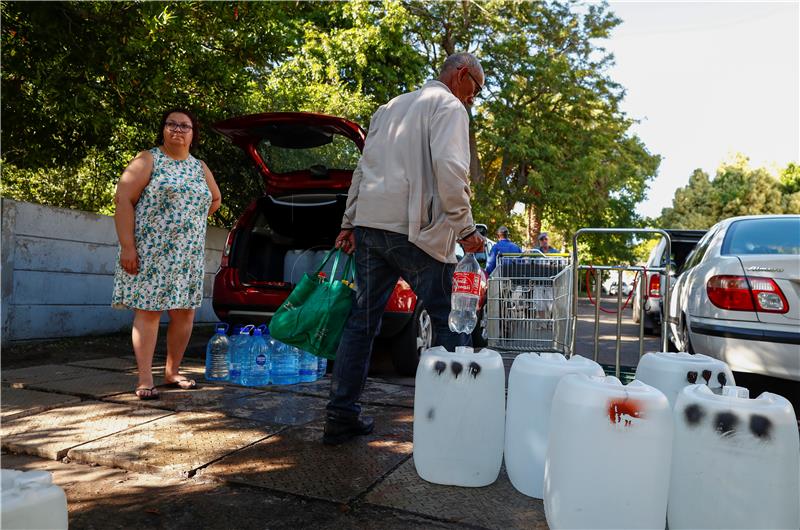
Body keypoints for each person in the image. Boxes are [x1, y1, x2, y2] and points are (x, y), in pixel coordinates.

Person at [323, 52, 486, 445]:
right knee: (450, 318)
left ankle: (340, 416)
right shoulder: (449, 106)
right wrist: (465, 229)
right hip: (415, 231)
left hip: (370, 226)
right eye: (475, 89)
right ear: (461, 75)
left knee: (361, 324)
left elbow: (363, 169)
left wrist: (349, 223)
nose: (473, 99)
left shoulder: (389, 107)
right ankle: (452, 423)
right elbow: (451, 169)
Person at [112, 108, 222, 400]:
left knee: (184, 313)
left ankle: (172, 372)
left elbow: (215, 198)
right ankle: (145, 378)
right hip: (150, 251)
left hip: (187, 255)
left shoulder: (200, 166)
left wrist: (189, 218)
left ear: (193, 133)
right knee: (149, 312)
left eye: (184, 125)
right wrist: (127, 246)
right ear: (163, 129)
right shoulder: (148, 159)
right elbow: (123, 200)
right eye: (171, 124)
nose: (177, 129)